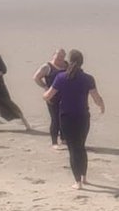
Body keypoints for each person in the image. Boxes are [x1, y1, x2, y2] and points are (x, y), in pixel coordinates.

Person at [43, 49, 104, 189]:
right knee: (81, 146)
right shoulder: (88, 78)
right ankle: (84, 177)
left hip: (66, 117)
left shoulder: (61, 77)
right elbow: (97, 98)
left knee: (73, 149)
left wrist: (44, 96)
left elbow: (48, 96)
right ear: (82, 62)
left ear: (69, 61)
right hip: (83, 117)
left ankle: (78, 182)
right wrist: (102, 106)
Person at [33, 48, 68, 149]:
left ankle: (64, 138)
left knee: (64, 117)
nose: (59, 59)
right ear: (53, 56)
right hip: (52, 96)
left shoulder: (67, 65)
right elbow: (36, 77)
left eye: (62, 57)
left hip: (65, 96)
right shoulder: (47, 67)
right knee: (55, 118)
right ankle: (54, 142)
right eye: (58, 57)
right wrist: (45, 87)